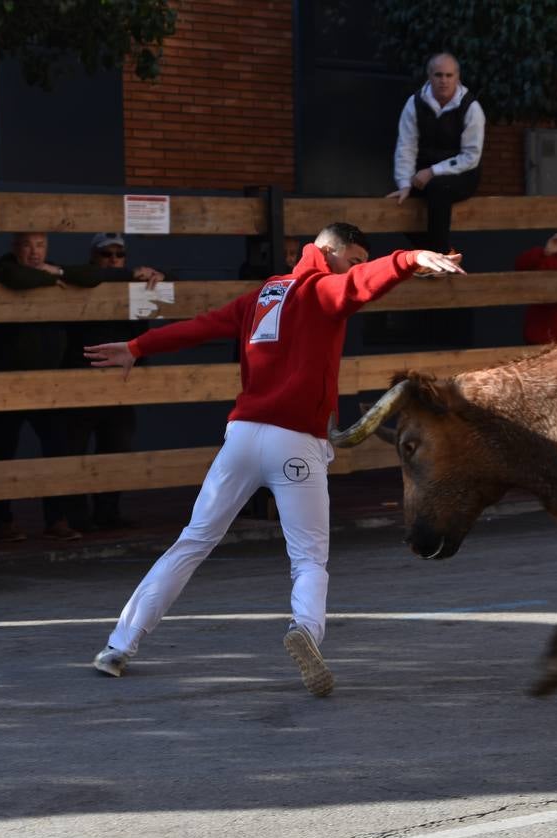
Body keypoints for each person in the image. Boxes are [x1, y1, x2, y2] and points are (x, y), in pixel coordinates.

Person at [85, 224, 464, 696]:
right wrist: (408, 259)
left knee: (192, 541)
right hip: (295, 443)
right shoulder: (324, 291)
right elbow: (359, 284)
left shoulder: (265, 293)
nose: (357, 267)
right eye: (354, 257)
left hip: (242, 437)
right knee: (308, 559)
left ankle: (119, 646)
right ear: (329, 252)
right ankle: (305, 630)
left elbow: (202, 326)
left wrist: (139, 347)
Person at [0, 232, 106, 541]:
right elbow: (12, 276)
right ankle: (2, 522)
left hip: (49, 383)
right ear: (15, 248)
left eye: (40, 244)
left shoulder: (55, 269)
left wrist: (59, 273)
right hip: (9, 383)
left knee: (57, 449)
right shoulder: (5, 268)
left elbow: (93, 274)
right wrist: (49, 280)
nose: (34, 251)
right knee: (2, 452)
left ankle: (57, 519)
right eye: (27, 244)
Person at [68, 233, 167, 530]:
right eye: (106, 255)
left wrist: (156, 276)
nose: (113, 260)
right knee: (75, 450)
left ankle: (107, 513)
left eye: (119, 255)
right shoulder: (85, 280)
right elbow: (89, 276)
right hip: (83, 383)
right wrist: (125, 274)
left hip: (121, 384)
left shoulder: (136, 287)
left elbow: (171, 281)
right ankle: (75, 517)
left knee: (117, 447)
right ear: (93, 258)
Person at [387, 52, 486, 253]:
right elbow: (406, 146)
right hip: (423, 173)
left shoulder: (471, 107)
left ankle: (438, 254)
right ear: (429, 76)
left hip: (462, 174)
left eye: (449, 75)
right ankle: (440, 252)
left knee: (438, 190)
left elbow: (471, 157)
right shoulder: (414, 104)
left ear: (457, 77)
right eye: (439, 75)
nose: (444, 81)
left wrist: (432, 171)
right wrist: (405, 183)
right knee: (396, 204)